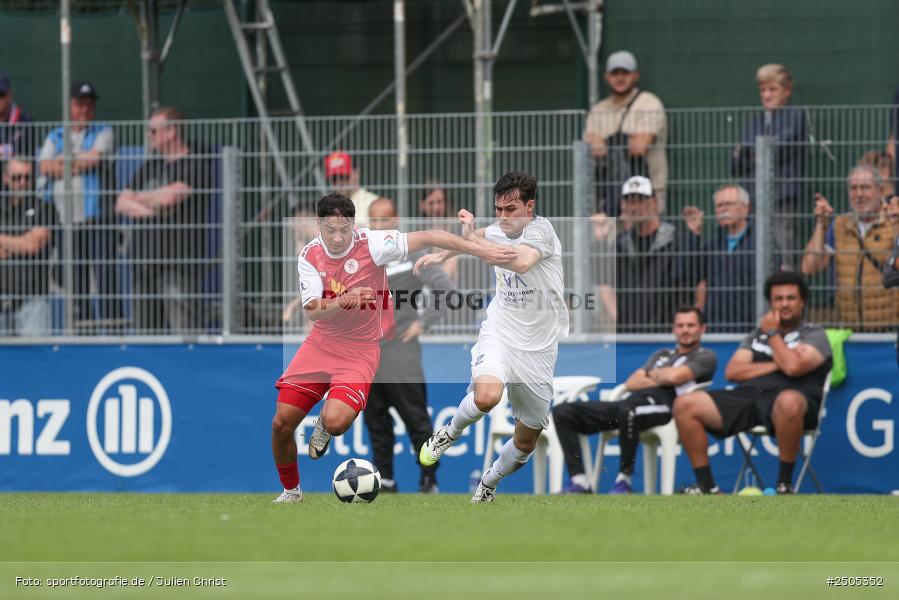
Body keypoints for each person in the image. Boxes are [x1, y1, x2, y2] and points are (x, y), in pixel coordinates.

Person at [269, 192, 518, 503]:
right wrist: (344, 300)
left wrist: (481, 250)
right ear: (319, 225)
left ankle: (422, 476)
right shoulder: (309, 255)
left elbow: (432, 235)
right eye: (329, 230)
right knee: (281, 424)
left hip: (362, 348)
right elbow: (311, 309)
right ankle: (292, 492)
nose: (336, 237)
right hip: (321, 343)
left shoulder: (372, 243)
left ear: (353, 225)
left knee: (339, 420)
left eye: (343, 230)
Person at [416, 171, 570, 503]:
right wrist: (440, 256)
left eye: (511, 209)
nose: (503, 217)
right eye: (498, 209)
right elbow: (471, 241)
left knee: (526, 441)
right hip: (500, 331)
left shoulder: (541, 231)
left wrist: (474, 237)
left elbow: (522, 262)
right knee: (486, 397)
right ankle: (447, 434)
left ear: (530, 207)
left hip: (539, 349)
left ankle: (490, 480)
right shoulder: (499, 229)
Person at [674, 272, 832, 494]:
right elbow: (734, 371)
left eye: (790, 298)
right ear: (771, 303)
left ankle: (784, 485)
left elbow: (794, 369)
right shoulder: (755, 337)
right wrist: (781, 361)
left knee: (788, 401)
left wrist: (772, 334)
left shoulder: (814, 335)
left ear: (802, 302)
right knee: (685, 404)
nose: (784, 304)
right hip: (751, 397)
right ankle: (707, 488)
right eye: (778, 299)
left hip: (794, 402)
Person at [553, 306, 717, 494]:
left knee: (628, 409)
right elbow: (632, 382)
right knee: (563, 412)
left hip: (666, 408)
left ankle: (625, 480)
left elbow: (676, 378)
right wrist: (663, 376)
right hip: (631, 403)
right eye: (680, 325)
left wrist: (650, 375)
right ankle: (579, 481)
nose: (685, 329)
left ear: (702, 328)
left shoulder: (705, 356)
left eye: (690, 325)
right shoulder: (662, 354)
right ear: (674, 329)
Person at [364, 197, 455, 494]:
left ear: (396, 222)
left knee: (416, 419)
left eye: (384, 220)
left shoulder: (412, 256)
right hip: (369, 353)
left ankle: (429, 479)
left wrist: (422, 322)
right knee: (376, 420)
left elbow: (445, 289)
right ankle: (386, 480)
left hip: (402, 351)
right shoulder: (363, 258)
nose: (378, 226)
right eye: (373, 221)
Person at [115, 106, 215, 333]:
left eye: (153, 131)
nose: (149, 136)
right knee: (146, 333)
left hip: (178, 262)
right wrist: (154, 208)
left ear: (171, 132)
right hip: (144, 261)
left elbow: (171, 198)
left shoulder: (196, 162)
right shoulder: (150, 165)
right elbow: (121, 202)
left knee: (184, 332)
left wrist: (140, 199)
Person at [38, 81, 117, 328]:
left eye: (90, 104)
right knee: (74, 275)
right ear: (71, 105)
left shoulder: (104, 131)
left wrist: (62, 162)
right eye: (81, 104)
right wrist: (75, 161)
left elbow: (94, 159)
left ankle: (113, 325)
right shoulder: (56, 135)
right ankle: (82, 324)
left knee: (105, 273)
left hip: (97, 217)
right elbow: (44, 167)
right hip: (64, 219)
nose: (86, 109)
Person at [800, 166, 899, 331]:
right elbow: (810, 267)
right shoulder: (840, 225)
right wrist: (821, 225)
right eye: (854, 188)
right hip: (850, 330)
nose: (859, 195)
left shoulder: (893, 220)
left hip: (891, 329)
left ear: (880, 191)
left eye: (865, 188)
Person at [731, 64, 807, 271]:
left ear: (787, 90)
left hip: (781, 197)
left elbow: (778, 149)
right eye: (763, 90)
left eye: (772, 89)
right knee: (755, 252)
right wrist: (752, 153)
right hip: (754, 199)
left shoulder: (795, 116)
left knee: (784, 251)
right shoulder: (754, 122)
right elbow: (736, 163)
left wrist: (751, 152)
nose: (766, 95)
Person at [584, 50, 668, 217]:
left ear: (635, 75)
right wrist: (625, 141)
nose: (620, 78)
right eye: (615, 73)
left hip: (645, 193)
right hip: (608, 196)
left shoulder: (649, 103)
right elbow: (591, 146)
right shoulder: (598, 110)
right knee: (609, 240)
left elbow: (640, 146)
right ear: (606, 77)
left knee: (644, 240)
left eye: (625, 72)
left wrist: (605, 142)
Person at [614, 175, 697, 332]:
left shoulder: (677, 239)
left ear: (654, 203)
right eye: (630, 201)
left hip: (667, 334)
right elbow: (607, 286)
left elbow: (697, 284)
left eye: (640, 200)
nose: (635, 207)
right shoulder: (620, 243)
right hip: (629, 334)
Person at [0, 157, 57, 336]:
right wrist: (19, 242)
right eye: (17, 178)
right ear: (6, 179)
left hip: (32, 300)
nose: (23, 182)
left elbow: (33, 244)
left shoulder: (44, 208)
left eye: (27, 177)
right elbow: (25, 243)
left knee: (35, 361)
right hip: (2, 299)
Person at [694, 184, 756, 331]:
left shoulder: (761, 243)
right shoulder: (711, 246)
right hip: (715, 329)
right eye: (719, 206)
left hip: (750, 329)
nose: (723, 209)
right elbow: (700, 283)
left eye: (729, 204)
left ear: (745, 208)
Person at [324, 151, 379, 229]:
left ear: (356, 172)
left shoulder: (374, 202)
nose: (339, 182)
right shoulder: (327, 205)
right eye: (334, 178)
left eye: (344, 176)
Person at [0, 72, 34, 160]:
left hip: (14, 170)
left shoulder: (24, 120)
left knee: (19, 167)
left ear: (9, 95)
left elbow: (21, 150)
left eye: (1, 94)